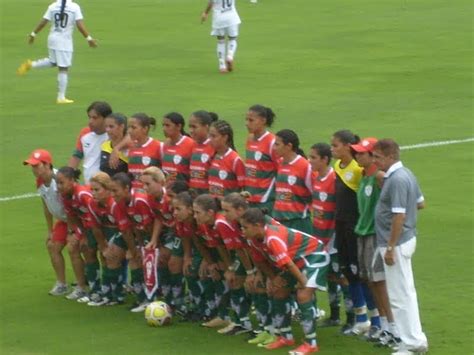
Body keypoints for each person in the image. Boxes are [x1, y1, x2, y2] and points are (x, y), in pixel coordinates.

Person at [240, 208, 329, 354]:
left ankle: (311, 343)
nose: (242, 230)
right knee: (278, 291)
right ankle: (286, 337)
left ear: (257, 225)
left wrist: (302, 281)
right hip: (295, 261)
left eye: (245, 227)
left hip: (314, 256)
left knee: (303, 295)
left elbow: (288, 263)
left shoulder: (273, 238)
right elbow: (260, 261)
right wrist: (273, 278)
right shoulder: (253, 239)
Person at [373, 139, 428, 354]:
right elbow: (420, 203)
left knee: (399, 295)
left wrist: (390, 247)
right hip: (403, 239)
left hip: (395, 243)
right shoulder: (406, 174)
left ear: (390, 157)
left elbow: (399, 215)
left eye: (378, 157)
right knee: (406, 292)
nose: (375, 161)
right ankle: (416, 339)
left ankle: (411, 343)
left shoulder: (396, 179)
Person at [308, 143, 354, 329]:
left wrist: (333, 236)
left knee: (342, 276)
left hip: (333, 237)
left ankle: (351, 318)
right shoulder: (315, 177)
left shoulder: (334, 179)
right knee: (330, 277)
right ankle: (334, 315)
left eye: (313, 157)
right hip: (319, 235)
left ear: (325, 160)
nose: (310, 161)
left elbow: (339, 210)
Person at [17, 0, 97, 103]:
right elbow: (80, 25)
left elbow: (44, 21)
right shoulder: (74, 7)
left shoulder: (53, 6)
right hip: (64, 41)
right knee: (63, 68)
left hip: (52, 39)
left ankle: (31, 65)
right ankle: (61, 97)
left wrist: (33, 34)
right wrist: (89, 39)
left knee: (53, 61)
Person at [331, 129, 370, 335]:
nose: (332, 149)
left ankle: (371, 320)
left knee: (359, 272)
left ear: (348, 146)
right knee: (347, 271)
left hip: (354, 228)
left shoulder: (356, 169)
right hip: (340, 226)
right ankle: (361, 318)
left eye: (335, 145)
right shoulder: (337, 165)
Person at [23, 149, 69, 296]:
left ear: (47, 165)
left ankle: (85, 284)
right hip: (63, 221)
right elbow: (46, 206)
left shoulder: (59, 180)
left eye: (37, 166)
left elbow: (73, 204)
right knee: (52, 246)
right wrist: (50, 231)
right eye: (32, 166)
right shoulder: (40, 181)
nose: (34, 169)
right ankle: (62, 284)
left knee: (80, 249)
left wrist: (75, 229)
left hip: (76, 220)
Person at [272, 129, 313, 234]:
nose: (274, 148)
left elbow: (315, 193)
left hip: (298, 222)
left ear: (289, 146)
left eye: (277, 144)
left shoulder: (305, 166)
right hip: (280, 221)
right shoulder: (280, 163)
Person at [244, 105, 278, 211]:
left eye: (251, 120)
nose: (247, 123)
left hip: (265, 200)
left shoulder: (272, 142)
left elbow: (280, 170)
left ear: (263, 120)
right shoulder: (250, 139)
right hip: (249, 197)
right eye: (246, 120)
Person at [69, 101, 112, 183]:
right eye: (89, 117)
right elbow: (76, 156)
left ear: (106, 119)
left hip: (106, 187)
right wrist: (69, 176)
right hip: (89, 185)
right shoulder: (85, 132)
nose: (90, 121)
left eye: (95, 118)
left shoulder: (113, 134)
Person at [201, 0, 241, 73]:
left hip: (219, 18)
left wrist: (205, 13)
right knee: (232, 39)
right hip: (232, 17)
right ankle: (230, 56)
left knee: (221, 41)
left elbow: (211, 3)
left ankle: (222, 65)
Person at [208, 120, 245, 198]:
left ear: (225, 137)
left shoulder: (235, 160)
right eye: (209, 135)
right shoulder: (212, 156)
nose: (209, 139)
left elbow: (243, 188)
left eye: (213, 136)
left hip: (228, 208)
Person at [127, 113, 163, 189]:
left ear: (145, 129)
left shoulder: (158, 146)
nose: (129, 131)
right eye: (129, 127)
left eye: (133, 128)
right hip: (134, 194)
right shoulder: (129, 146)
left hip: (149, 194)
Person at [161, 112, 195, 186]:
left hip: (182, 190)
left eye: (167, 125)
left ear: (179, 126)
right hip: (167, 189)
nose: (164, 129)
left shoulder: (190, 144)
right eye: (163, 125)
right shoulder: (165, 144)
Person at [188, 110, 217, 194]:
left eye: (194, 127)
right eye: (190, 127)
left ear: (206, 127)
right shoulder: (191, 145)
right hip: (193, 195)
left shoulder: (214, 146)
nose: (191, 130)